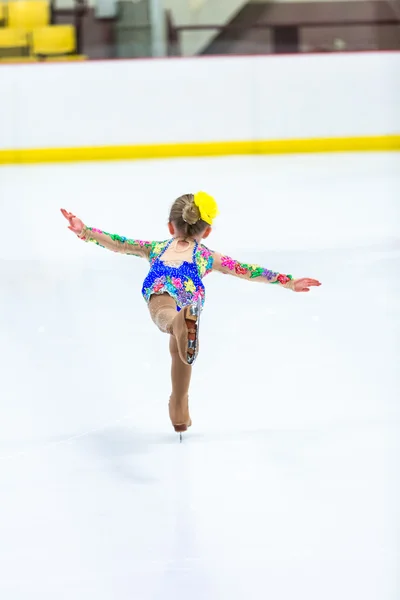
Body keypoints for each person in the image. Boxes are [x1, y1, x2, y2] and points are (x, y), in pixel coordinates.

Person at [60, 192, 321, 434]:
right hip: (190, 290)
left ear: (171, 227)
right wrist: (287, 281)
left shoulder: (155, 248)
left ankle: (176, 324)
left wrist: (85, 231)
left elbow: (119, 243)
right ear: (206, 231)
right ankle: (180, 410)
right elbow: (246, 269)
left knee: (165, 317)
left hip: (161, 284)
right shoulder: (207, 256)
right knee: (180, 351)